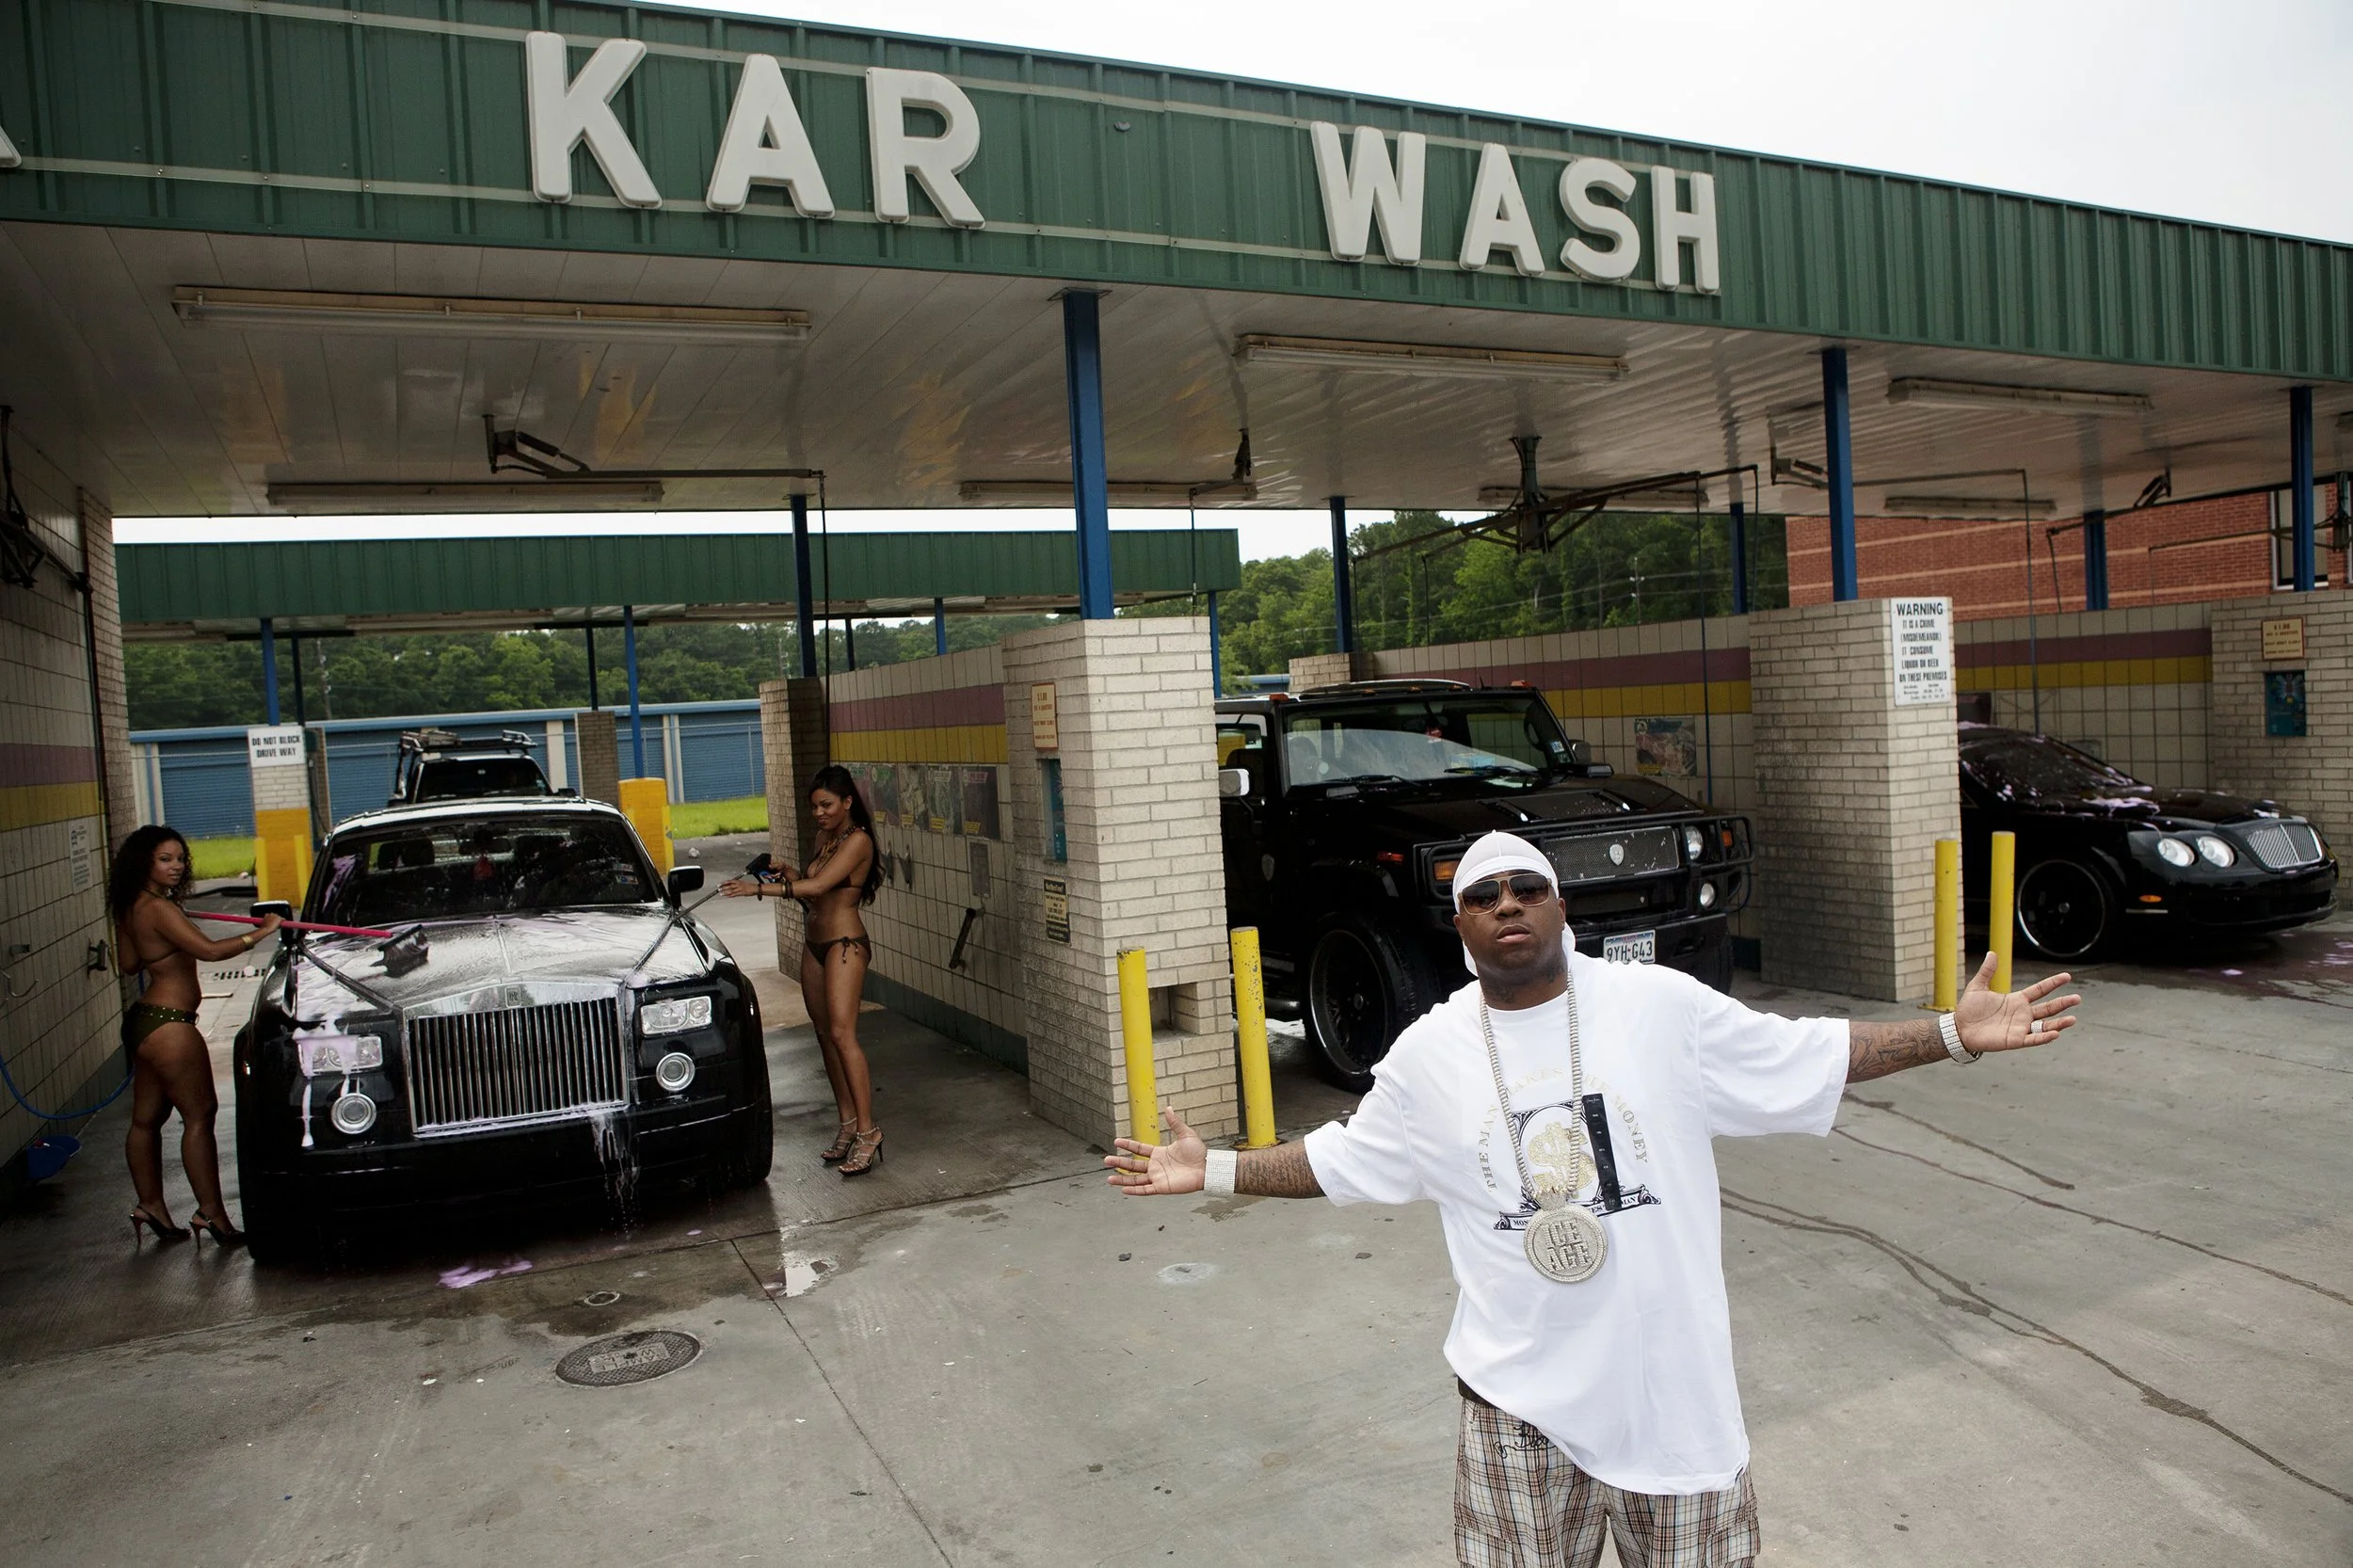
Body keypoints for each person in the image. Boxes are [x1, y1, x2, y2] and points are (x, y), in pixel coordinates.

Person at [1106, 829, 2082, 1568]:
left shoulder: (1656, 1006)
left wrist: (1946, 1035)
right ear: (1458, 925)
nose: (1508, 904)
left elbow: (1813, 1052)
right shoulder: (1429, 1055)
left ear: (1561, 908)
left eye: (1528, 887)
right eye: (1483, 894)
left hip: (1674, 1398)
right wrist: (1219, 1169)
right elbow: (1346, 1159)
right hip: (1514, 1404)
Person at [109, 824, 281, 1246]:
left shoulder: (132, 906)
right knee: (200, 1117)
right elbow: (209, 951)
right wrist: (263, 931)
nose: (176, 866)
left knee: (145, 1121)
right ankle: (212, 1214)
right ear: (143, 862)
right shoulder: (159, 909)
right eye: (164, 859)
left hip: (146, 1022)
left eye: (180, 859)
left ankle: (150, 1205)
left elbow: (129, 964)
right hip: (170, 1024)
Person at [722, 765, 886, 1176]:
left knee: (842, 1034)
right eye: (815, 806)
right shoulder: (824, 838)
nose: (819, 813)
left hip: (844, 945)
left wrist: (757, 889)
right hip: (815, 944)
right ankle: (847, 1124)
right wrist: (789, 875)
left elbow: (818, 888)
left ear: (848, 803)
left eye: (827, 805)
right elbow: (812, 892)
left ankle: (869, 1132)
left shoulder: (859, 841)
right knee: (823, 1036)